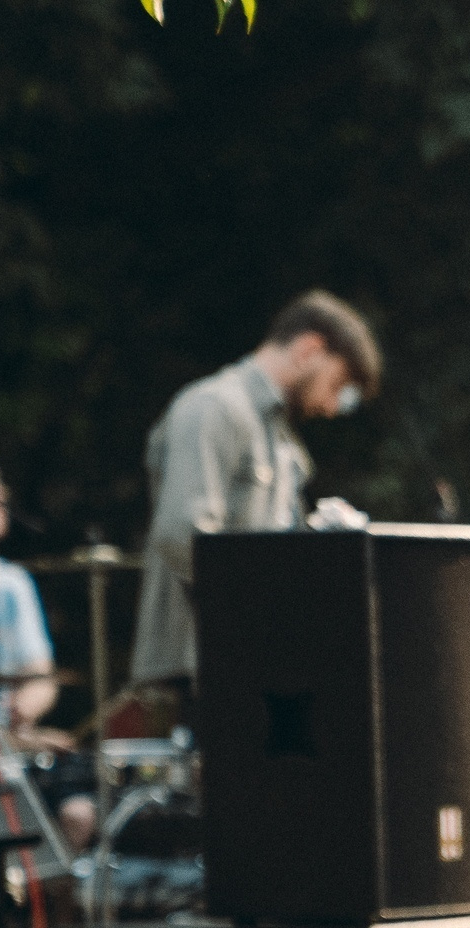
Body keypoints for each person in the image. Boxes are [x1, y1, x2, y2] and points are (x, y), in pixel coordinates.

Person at [130, 290, 383, 700]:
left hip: (256, 663)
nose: (333, 407)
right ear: (309, 349)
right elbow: (182, 535)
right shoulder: (214, 407)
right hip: (202, 668)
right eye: (338, 386)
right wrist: (263, 609)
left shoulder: (281, 437)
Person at [0, 459, 94, 851]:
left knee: (78, 814)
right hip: (1, 749)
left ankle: (49, 907)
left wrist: (23, 714)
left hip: (9, 749)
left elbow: (38, 677)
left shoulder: (10, 584)